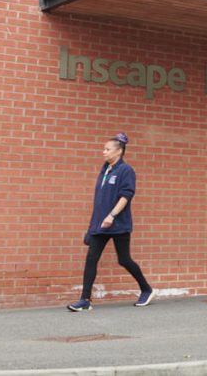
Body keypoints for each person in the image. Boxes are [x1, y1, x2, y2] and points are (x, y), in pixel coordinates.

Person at [67, 132, 154, 311]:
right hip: (100, 225)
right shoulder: (105, 170)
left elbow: (126, 196)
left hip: (118, 224)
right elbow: (99, 201)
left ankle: (146, 289)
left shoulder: (125, 170)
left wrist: (112, 215)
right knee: (91, 259)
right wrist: (92, 226)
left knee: (124, 260)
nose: (104, 152)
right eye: (104, 149)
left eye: (107, 149)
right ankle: (85, 300)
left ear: (119, 151)